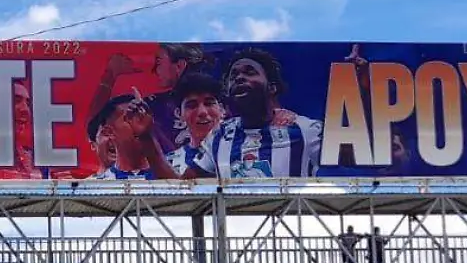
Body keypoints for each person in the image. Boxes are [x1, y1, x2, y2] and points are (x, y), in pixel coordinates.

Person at [192, 49, 323, 180]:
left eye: (250, 73)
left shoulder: (305, 130)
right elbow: (182, 186)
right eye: (233, 76)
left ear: (272, 87)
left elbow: (341, 153)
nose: (239, 78)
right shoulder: (218, 136)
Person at [84, 94, 170, 180]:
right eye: (130, 117)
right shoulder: (93, 187)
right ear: (109, 131)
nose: (141, 122)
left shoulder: (177, 172)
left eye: (142, 115)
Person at [162, 73, 226, 179]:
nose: (202, 112)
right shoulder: (169, 163)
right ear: (179, 114)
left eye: (209, 103)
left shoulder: (241, 151)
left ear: (221, 109)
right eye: (192, 105)